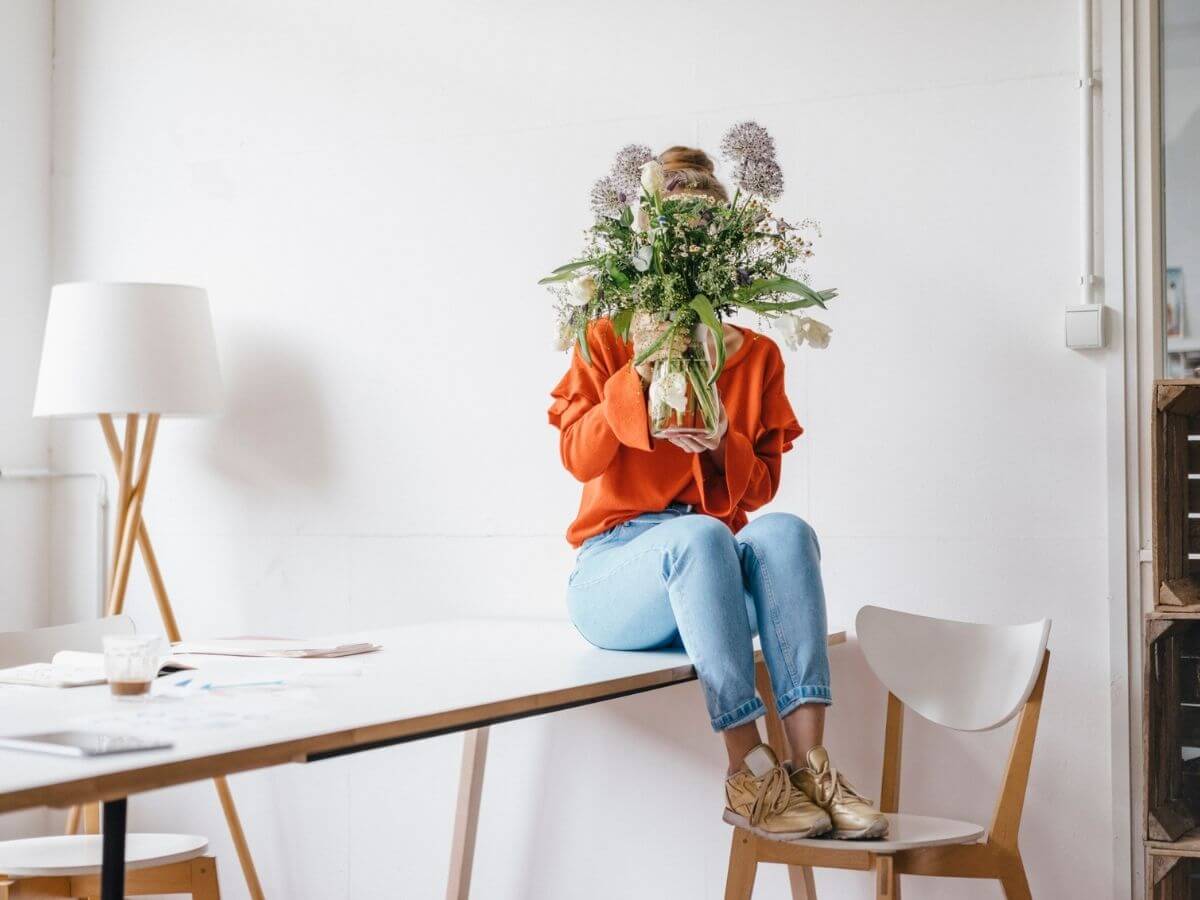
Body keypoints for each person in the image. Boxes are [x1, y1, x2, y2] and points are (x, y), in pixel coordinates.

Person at [547, 146, 887, 841]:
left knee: (786, 530)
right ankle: (749, 772)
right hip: (617, 577)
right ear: (651, 243)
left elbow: (760, 487)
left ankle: (811, 767)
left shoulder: (754, 355)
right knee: (701, 534)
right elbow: (578, 458)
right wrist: (640, 376)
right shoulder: (608, 338)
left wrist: (728, 436)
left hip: (710, 589)